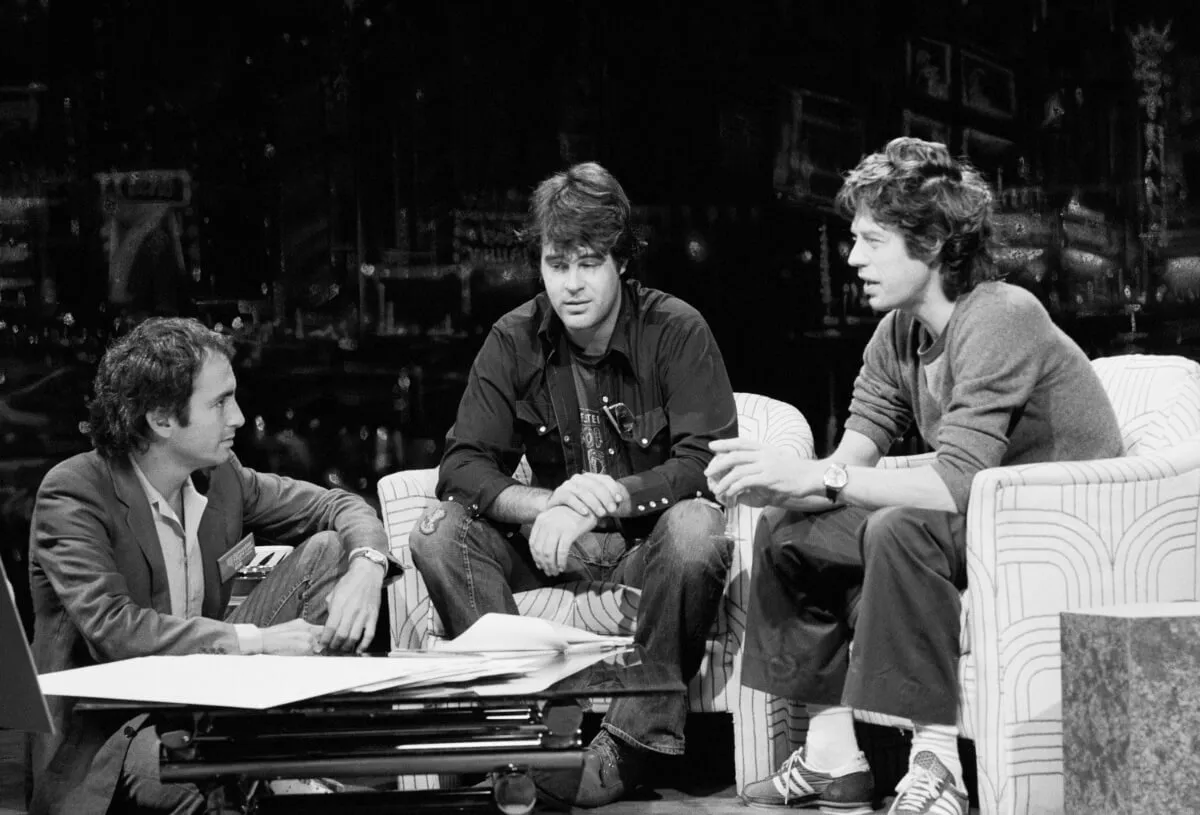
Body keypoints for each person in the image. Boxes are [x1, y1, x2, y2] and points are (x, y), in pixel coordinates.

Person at [705, 137, 1123, 815]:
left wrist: (822, 477)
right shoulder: (898, 335)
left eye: (871, 240)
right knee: (792, 533)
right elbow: (851, 463)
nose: (853, 258)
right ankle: (832, 755)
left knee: (901, 527)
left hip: (1060, 527)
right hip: (982, 516)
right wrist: (780, 483)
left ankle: (938, 766)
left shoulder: (1001, 315)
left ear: (929, 244)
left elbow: (954, 483)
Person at [409, 161, 738, 808]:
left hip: (646, 553)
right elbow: (462, 464)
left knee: (698, 527)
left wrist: (610, 498)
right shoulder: (513, 338)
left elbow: (704, 462)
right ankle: (522, 727)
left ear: (621, 261)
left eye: (590, 263)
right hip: (553, 552)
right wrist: (547, 503)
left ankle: (629, 746)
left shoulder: (677, 329)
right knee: (436, 531)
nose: (573, 284)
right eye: (558, 265)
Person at [28, 316, 402, 815]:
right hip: (112, 731)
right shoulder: (74, 491)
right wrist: (259, 642)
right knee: (216, 790)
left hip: (208, 698)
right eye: (220, 402)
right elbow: (116, 632)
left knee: (334, 548)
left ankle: (295, 756)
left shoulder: (221, 477)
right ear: (161, 419)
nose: (240, 418)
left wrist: (368, 566)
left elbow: (338, 506)